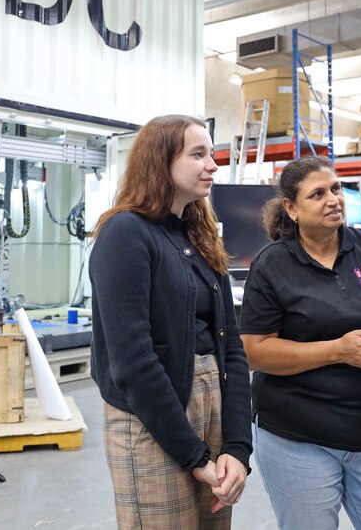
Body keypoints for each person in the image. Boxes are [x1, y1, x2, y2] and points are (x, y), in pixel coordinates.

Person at [240, 155, 361, 530]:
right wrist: (339, 351)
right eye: (318, 194)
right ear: (291, 208)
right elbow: (255, 351)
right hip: (299, 438)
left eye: (337, 189)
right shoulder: (272, 265)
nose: (334, 199)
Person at [89, 115, 251, 529]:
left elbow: (231, 346)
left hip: (210, 406)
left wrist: (237, 447)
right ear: (161, 163)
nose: (212, 165)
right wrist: (193, 455)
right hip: (152, 419)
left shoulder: (199, 239)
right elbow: (133, 361)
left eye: (211, 153)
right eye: (198, 154)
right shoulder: (125, 233)